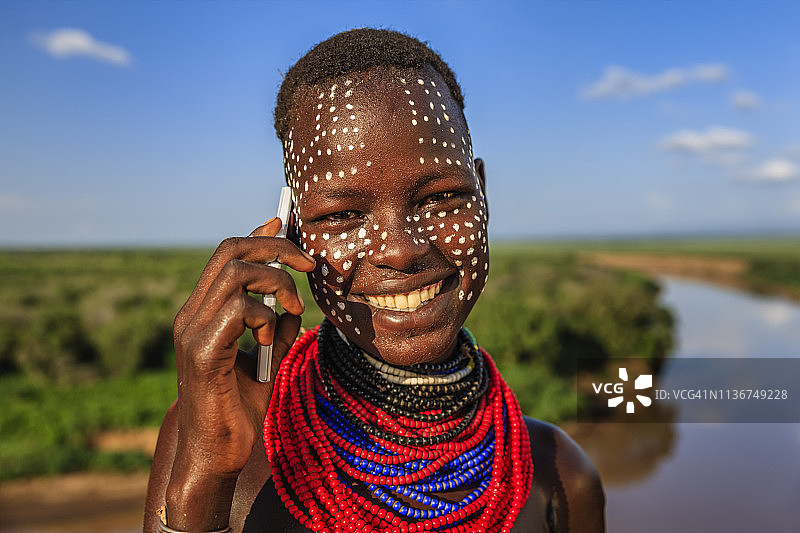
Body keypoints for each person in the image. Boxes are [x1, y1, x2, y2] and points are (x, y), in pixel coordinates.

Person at [145, 28, 605, 533]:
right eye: (342, 215)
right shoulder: (217, 440)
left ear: (483, 196)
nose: (401, 250)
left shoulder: (557, 476)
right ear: (293, 231)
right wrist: (206, 483)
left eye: (439, 198)